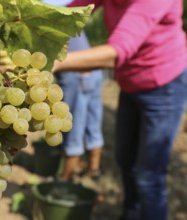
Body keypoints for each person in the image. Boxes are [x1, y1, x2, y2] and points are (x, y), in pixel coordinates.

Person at [53, 1, 187, 220]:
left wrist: (54, 62)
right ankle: (131, 215)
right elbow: (66, 13)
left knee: (149, 176)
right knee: (125, 160)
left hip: (165, 87)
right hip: (130, 83)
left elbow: (116, 51)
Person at [56, 32, 104, 182]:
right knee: (93, 124)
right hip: (94, 70)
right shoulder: (63, 12)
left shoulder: (37, 21)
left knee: (73, 130)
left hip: (74, 74)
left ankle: (65, 179)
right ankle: (94, 170)